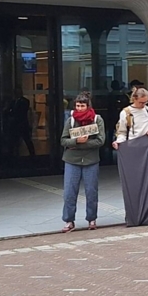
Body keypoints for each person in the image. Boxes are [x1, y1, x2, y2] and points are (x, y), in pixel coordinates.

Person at [60, 92, 105, 233]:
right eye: (77, 106)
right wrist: (76, 141)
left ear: (88, 106)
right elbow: (63, 140)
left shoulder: (97, 119)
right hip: (72, 160)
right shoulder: (71, 120)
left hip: (91, 160)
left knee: (91, 191)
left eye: (82, 106)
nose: (79, 108)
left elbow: (100, 140)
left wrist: (80, 144)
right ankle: (69, 220)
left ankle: (92, 219)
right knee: (69, 192)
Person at [3, 88, 35, 158]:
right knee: (13, 140)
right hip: (15, 124)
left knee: (27, 139)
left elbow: (20, 111)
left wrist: (11, 112)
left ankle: (32, 155)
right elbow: (8, 110)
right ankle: (11, 155)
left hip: (22, 123)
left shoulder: (24, 101)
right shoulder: (13, 101)